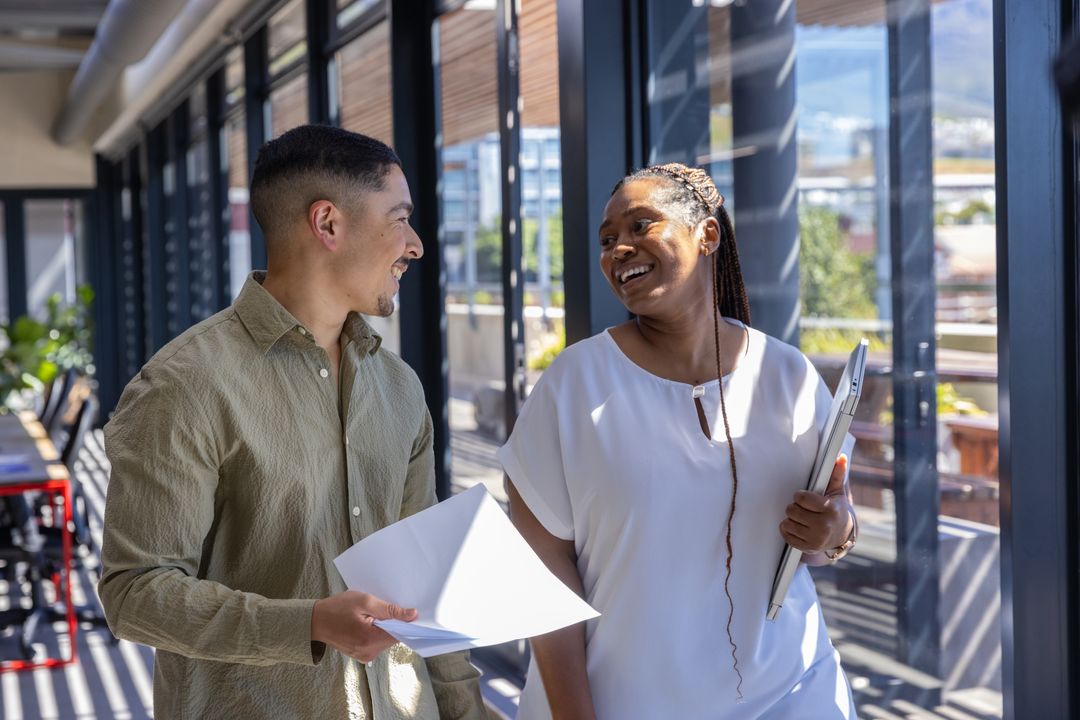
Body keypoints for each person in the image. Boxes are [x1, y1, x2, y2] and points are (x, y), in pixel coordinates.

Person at [99, 125, 487, 720]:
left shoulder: (400, 388)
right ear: (328, 223)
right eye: (399, 218)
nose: (415, 245)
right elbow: (135, 593)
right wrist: (306, 624)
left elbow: (425, 581)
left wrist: (467, 710)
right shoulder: (183, 384)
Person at [498, 163, 859, 719]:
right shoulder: (574, 384)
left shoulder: (787, 375)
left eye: (641, 225)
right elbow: (542, 572)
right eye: (607, 239)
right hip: (627, 702)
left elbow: (830, 528)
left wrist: (835, 532)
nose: (620, 247)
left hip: (792, 693)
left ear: (706, 235)